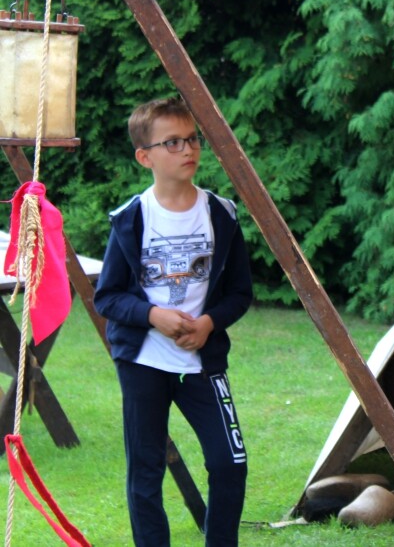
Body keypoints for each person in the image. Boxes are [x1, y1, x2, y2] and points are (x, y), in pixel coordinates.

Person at [95, 97, 254, 547]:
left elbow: (241, 293)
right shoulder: (130, 219)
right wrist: (153, 315)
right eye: (172, 142)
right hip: (143, 362)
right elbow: (108, 296)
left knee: (230, 463)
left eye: (192, 139)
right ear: (145, 156)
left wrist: (208, 324)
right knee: (145, 470)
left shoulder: (221, 215)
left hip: (202, 363)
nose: (188, 149)